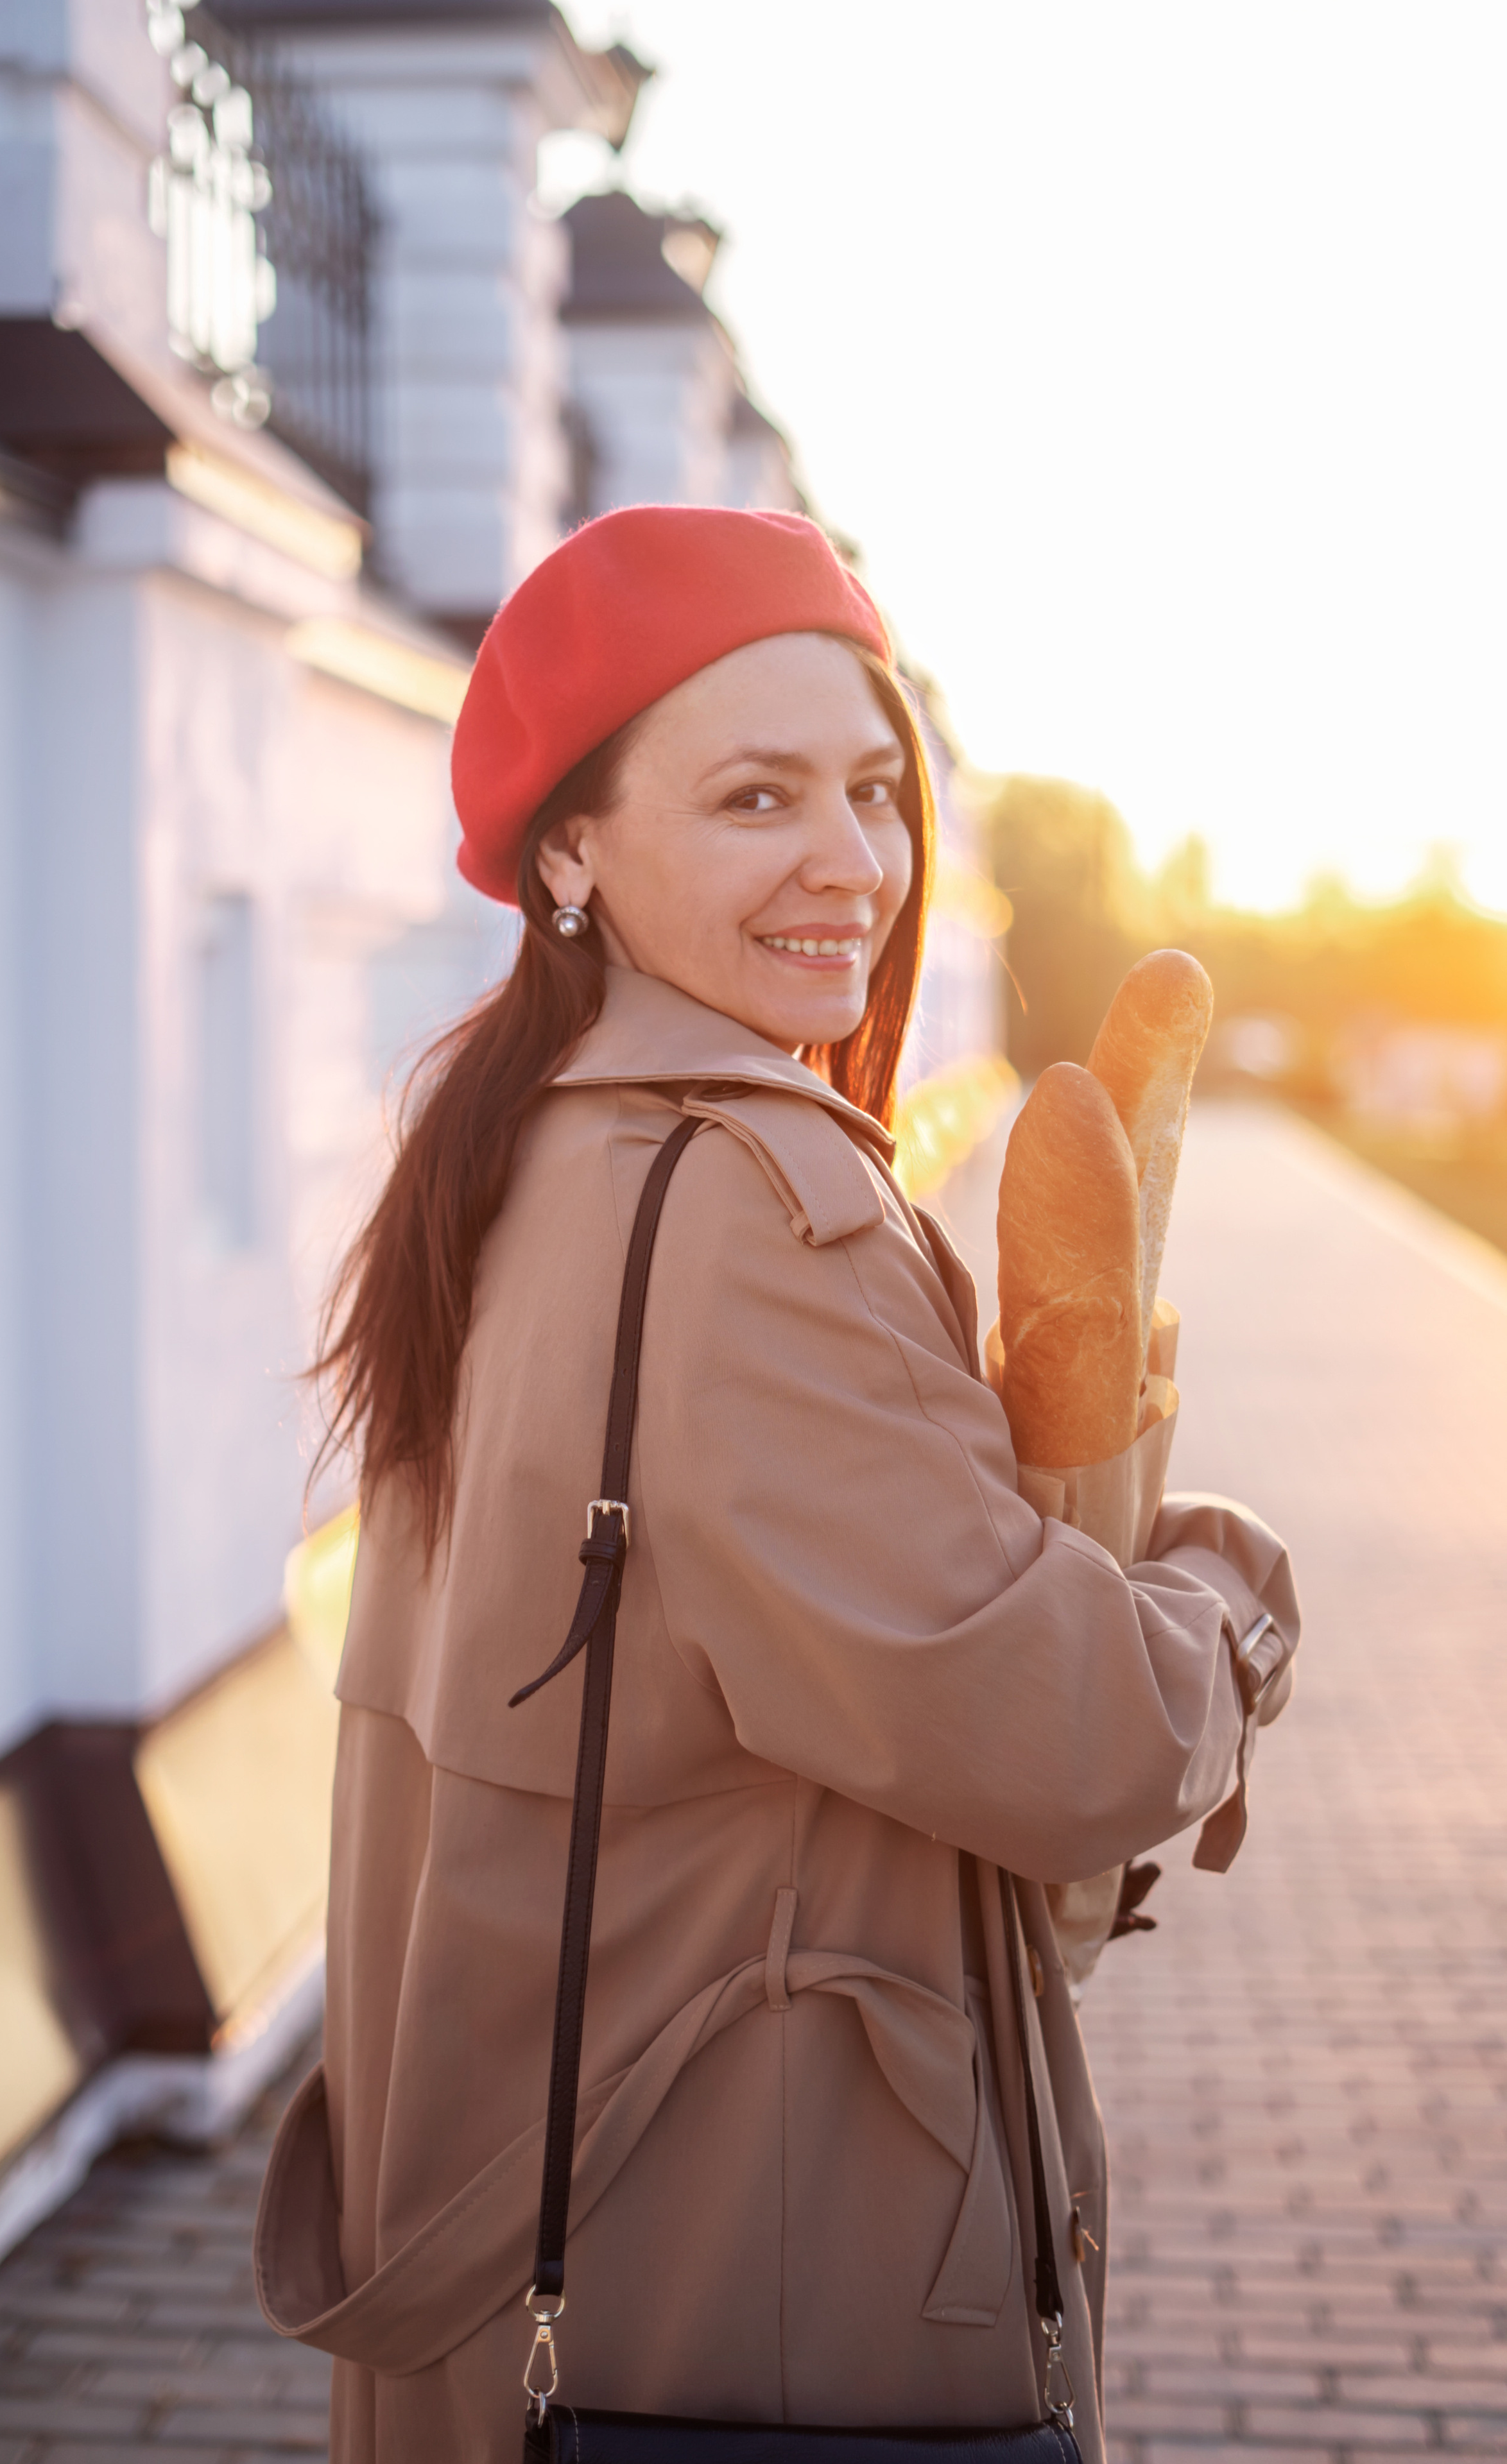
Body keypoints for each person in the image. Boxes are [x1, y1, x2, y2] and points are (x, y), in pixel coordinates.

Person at [254, 506, 1300, 2464]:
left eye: (876, 790)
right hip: (755, 2313)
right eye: (755, 797)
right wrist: (1230, 1603)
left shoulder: (510, 1149)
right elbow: (1068, 1741)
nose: (856, 865)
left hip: (539, 2287)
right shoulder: (745, 1204)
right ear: (572, 846)